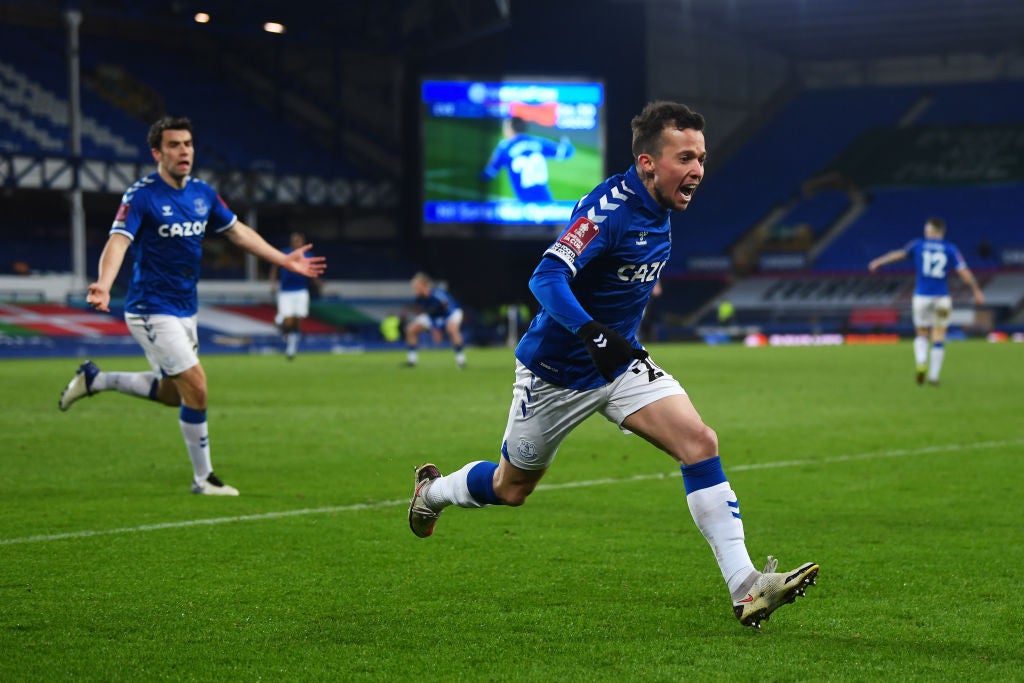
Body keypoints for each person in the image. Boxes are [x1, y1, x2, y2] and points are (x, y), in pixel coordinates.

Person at [408, 101, 819, 628]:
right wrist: (591, 332)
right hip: (556, 374)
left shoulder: (660, 208)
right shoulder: (610, 209)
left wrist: (614, 332)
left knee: (700, 443)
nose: (697, 170)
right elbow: (545, 278)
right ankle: (433, 492)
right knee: (512, 488)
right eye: (685, 157)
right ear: (649, 162)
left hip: (620, 364)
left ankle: (746, 587)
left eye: (701, 157)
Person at [58, 115, 326, 495]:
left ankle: (96, 380)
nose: (183, 151)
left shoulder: (202, 193)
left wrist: (282, 260)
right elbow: (118, 241)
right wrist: (103, 283)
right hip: (151, 309)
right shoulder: (141, 195)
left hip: (186, 309)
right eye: (173, 145)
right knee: (197, 387)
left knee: (174, 395)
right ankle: (204, 479)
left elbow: (237, 231)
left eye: (187, 144)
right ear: (157, 153)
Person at [868, 216, 984, 385]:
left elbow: (898, 254)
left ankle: (921, 362)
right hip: (942, 298)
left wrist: (880, 261)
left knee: (921, 332)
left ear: (929, 231)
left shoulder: (918, 245)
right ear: (942, 232)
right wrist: (976, 290)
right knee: (939, 335)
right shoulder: (950, 249)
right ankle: (934, 376)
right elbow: (964, 272)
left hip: (921, 297)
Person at [480, 116, 574, 202]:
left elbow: (488, 174)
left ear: (510, 129)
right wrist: (566, 142)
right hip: (546, 202)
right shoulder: (538, 141)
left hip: (525, 205)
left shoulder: (504, 147)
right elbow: (567, 152)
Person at [269, 231, 320, 360]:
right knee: (288, 321)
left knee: (297, 320)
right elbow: (275, 267)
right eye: (295, 240)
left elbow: (311, 270)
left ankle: (291, 347)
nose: (297, 243)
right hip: (286, 291)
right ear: (291, 242)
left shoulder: (307, 255)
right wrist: (273, 283)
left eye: (299, 240)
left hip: (301, 291)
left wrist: (317, 282)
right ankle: (280, 323)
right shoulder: (285, 253)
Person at [404, 272, 466, 369]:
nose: (414, 289)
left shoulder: (437, 294)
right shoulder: (419, 298)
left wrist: (439, 326)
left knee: (452, 329)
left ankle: (461, 361)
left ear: (423, 285)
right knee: (411, 329)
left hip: (451, 313)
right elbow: (427, 312)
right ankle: (412, 361)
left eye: (416, 286)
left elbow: (448, 308)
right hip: (433, 316)